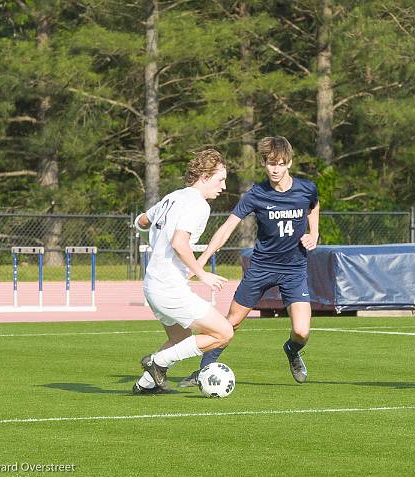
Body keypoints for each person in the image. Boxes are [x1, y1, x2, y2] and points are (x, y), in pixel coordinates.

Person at [178, 135, 319, 387]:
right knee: (228, 324)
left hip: (294, 269)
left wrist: (314, 233)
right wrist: (199, 263)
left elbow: (314, 205)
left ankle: (291, 350)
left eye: (280, 164)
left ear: (289, 163)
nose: (275, 169)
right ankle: (203, 370)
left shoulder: (306, 189)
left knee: (301, 331)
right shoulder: (255, 194)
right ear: (264, 163)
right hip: (261, 268)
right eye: (270, 163)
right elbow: (226, 229)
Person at [132, 149, 232, 394]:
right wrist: (202, 273)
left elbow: (141, 221)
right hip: (168, 287)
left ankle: (145, 385)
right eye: (220, 179)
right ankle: (157, 362)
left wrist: (151, 229)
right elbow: (179, 243)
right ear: (205, 176)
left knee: (179, 340)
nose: (224, 186)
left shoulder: (173, 197)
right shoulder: (198, 204)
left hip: (153, 284)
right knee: (223, 333)